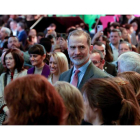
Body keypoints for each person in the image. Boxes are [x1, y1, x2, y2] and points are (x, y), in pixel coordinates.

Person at [0, 49, 27, 118]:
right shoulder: (3, 76)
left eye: (10, 58)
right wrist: (7, 111)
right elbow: (1, 97)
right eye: (6, 59)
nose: (7, 61)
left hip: (22, 112)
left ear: (17, 59)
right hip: (6, 112)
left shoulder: (26, 73)